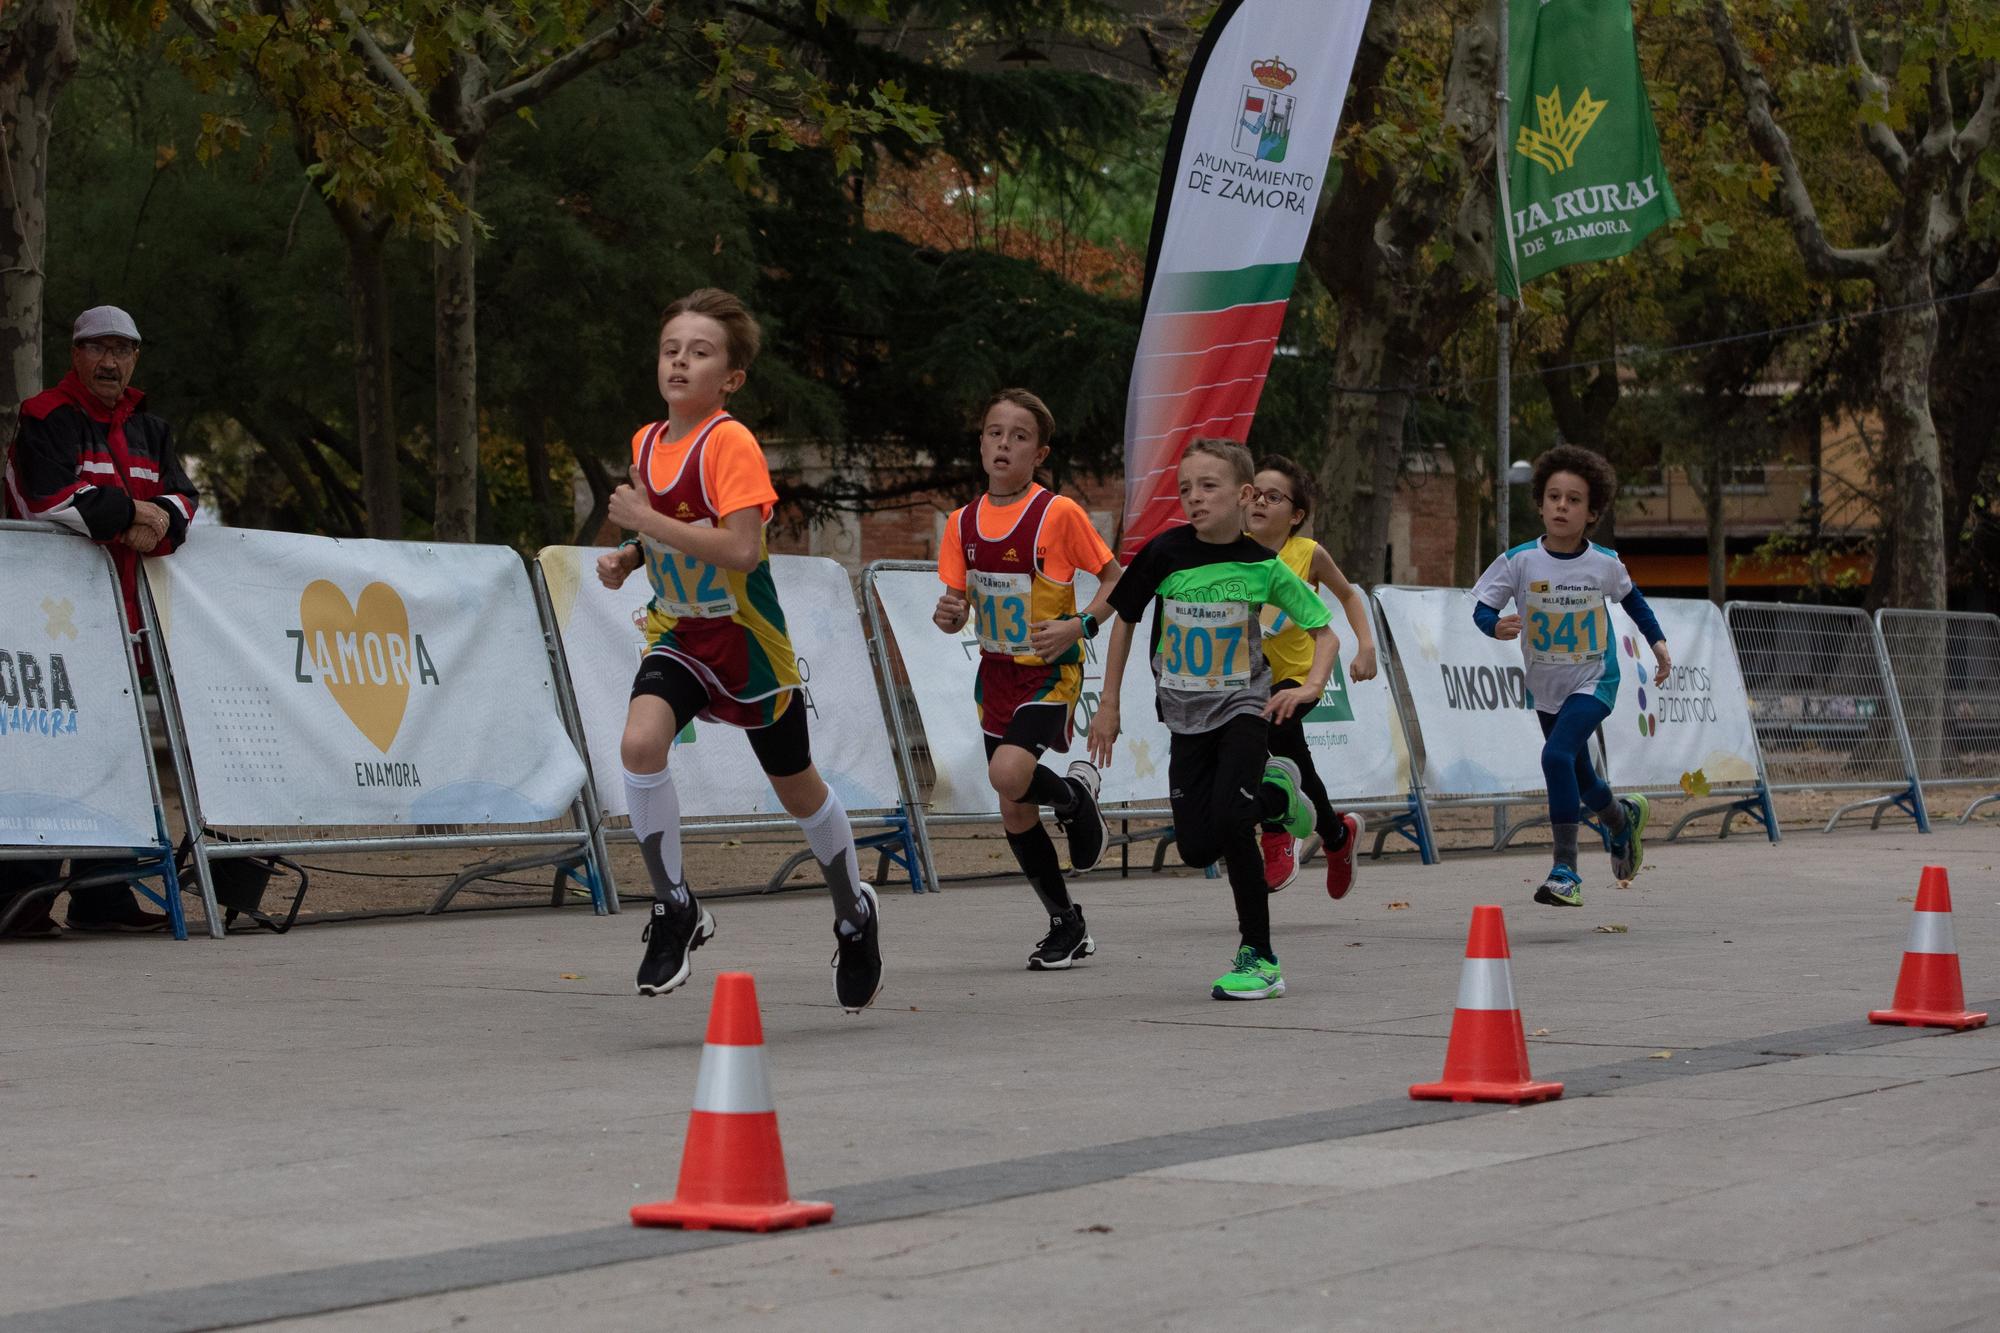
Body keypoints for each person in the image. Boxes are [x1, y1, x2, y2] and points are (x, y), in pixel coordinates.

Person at [597, 288, 882, 1011]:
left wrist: (645, 522)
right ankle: (675, 906)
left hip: (747, 643)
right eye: (670, 350)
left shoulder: (730, 444)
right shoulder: (645, 442)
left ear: (730, 378)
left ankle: (854, 913)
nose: (679, 362)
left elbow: (741, 547)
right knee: (639, 744)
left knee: (797, 787)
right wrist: (632, 554)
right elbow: (669, 528)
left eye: (699, 353)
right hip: (679, 633)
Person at [1087, 439, 1335, 1001]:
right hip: (1185, 716)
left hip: (1244, 707)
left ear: (1244, 495)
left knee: (1230, 820)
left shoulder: (1263, 565)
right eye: (1185, 489)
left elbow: (1325, 632)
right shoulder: (1165, 552)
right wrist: (1109, 703)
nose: (1193, 498)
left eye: (1208, 486)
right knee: (1197, 848)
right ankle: (1277, 795)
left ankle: (1260, 958)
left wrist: (1312, 685)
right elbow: (1124, 616)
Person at [1, 305, 197, 936]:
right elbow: (49, 501)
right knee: (45, 758)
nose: (111, 362)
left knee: (119, 757)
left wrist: (156, 522)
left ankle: (104, 899)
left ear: (136, 357)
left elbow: (184, 501)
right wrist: (139, 512)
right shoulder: (44, 418)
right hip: (44, 626)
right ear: (76, 353)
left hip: (124, 624)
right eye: (98, 349)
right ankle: (20, 903)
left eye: (123, 350)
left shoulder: (151, 429)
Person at [932, 389, 1119, 970]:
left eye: (1018, 437)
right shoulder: (961, 523)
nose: (1004, 444)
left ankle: (1074, 798)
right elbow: (955, 606)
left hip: (1049, 673)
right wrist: (949, 615)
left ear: (1039, 454)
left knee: (1008, 774)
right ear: (981, 444)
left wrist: (1079, 624)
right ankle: (1067, 924)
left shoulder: (1057, 514)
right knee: (1014, 808)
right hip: (995, 675)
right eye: (995, 433)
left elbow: (1117, 579)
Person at [1471, 444, 1670, 906]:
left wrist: (1658, 643)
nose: (1562, 506)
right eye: (1554, 497)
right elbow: (1483, 607)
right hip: (1546, 687)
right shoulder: (1519, 560)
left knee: (1556, 756)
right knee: (1580, 775)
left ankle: (1566, 870)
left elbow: (1634, 601)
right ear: (1540, 504)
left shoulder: (1603, 563)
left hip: (1594, 680)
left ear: (1592, 512)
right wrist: (1493, 625)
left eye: (1574, 500)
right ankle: (1620, 818)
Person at [1244, 454, 1378, 898]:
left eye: (1273, 497)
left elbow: (1349, 595)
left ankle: (1277, 837)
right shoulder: (1233, 552)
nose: (1260, 502)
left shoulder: (1308, 554)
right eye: (1254, 494)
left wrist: (1366, 646)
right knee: (1293, 758)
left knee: (1273, 732)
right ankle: (1338, 837)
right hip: (1248, 680)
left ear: (1295, 515)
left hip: (1301, 677)